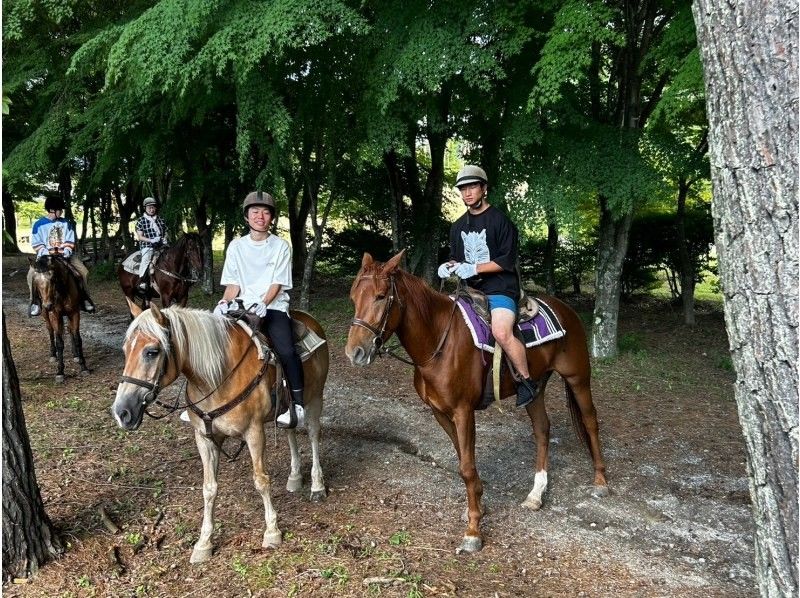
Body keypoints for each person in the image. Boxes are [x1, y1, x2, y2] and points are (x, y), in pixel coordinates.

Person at [438, 165, 540, 407]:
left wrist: (475, 268)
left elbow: (506, 260)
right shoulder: (457, 226)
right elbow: (457, 256)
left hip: (500, 287)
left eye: (472, 187)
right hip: (469, 290)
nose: (467, 193)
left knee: (501, 332)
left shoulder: (501, 221)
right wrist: (450, 265)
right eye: (463, 189)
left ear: (484, 189)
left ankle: (526, 382)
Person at [212, 191, 306, 428]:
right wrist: (224, 302)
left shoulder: (280, 246)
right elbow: (234, 284)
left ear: (271, 218)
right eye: (255, 212)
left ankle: (297, 404)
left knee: (285, 349)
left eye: (265, 212)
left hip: (272, 306)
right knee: (215, 344)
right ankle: (209, 402)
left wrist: (264, 303)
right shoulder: (236, 246)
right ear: (247, 217)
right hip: (242, 306)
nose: (260, 216)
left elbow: (277, 282)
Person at [28, 195, 96, 316]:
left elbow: (70, 240)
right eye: (60, 209)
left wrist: (66, 251)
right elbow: (36, 243)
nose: (62, 211)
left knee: (84, 272)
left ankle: (85, 299)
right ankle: (35, 302)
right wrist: (47, 253)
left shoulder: (66, 223)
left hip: (64, 255)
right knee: (31, 276)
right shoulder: (38, 224)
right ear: (52, 210)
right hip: (45, 257)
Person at [134, 197, 169, 290]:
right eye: (149, 207)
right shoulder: (141, 221)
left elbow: (166, 231)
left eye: (153, 207)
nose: (151, 209)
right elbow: (140, 236)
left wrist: (164, 238)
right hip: (147, 245)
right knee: (146, 259)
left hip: (161, 244)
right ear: (145, 208)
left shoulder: (160, 219)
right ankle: (142, 280)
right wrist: (151, 240)